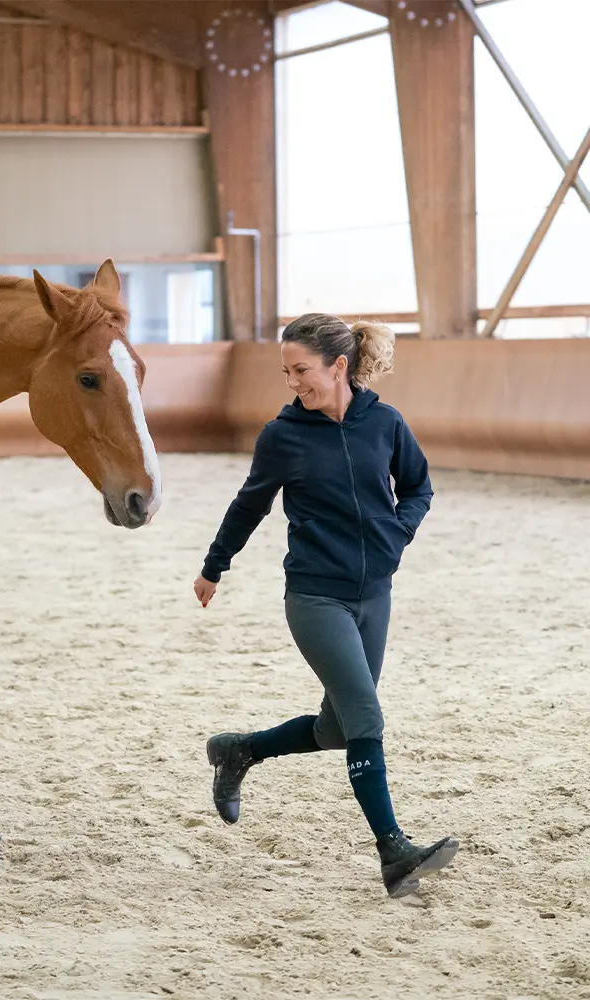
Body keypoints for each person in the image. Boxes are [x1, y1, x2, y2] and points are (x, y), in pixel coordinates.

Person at [193, 313, 458, 899]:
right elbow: (249, 505)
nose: (293, 383)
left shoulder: (384, 423)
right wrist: (215, 564)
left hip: (374, 595)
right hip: (315, 595)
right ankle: (394, 852)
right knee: (366, 717)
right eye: (286, 372)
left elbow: (419, 486)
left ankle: (241, 750)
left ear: (339, 366)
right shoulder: (282, 436)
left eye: (302, 370)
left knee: (339, 728)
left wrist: (397, 532)